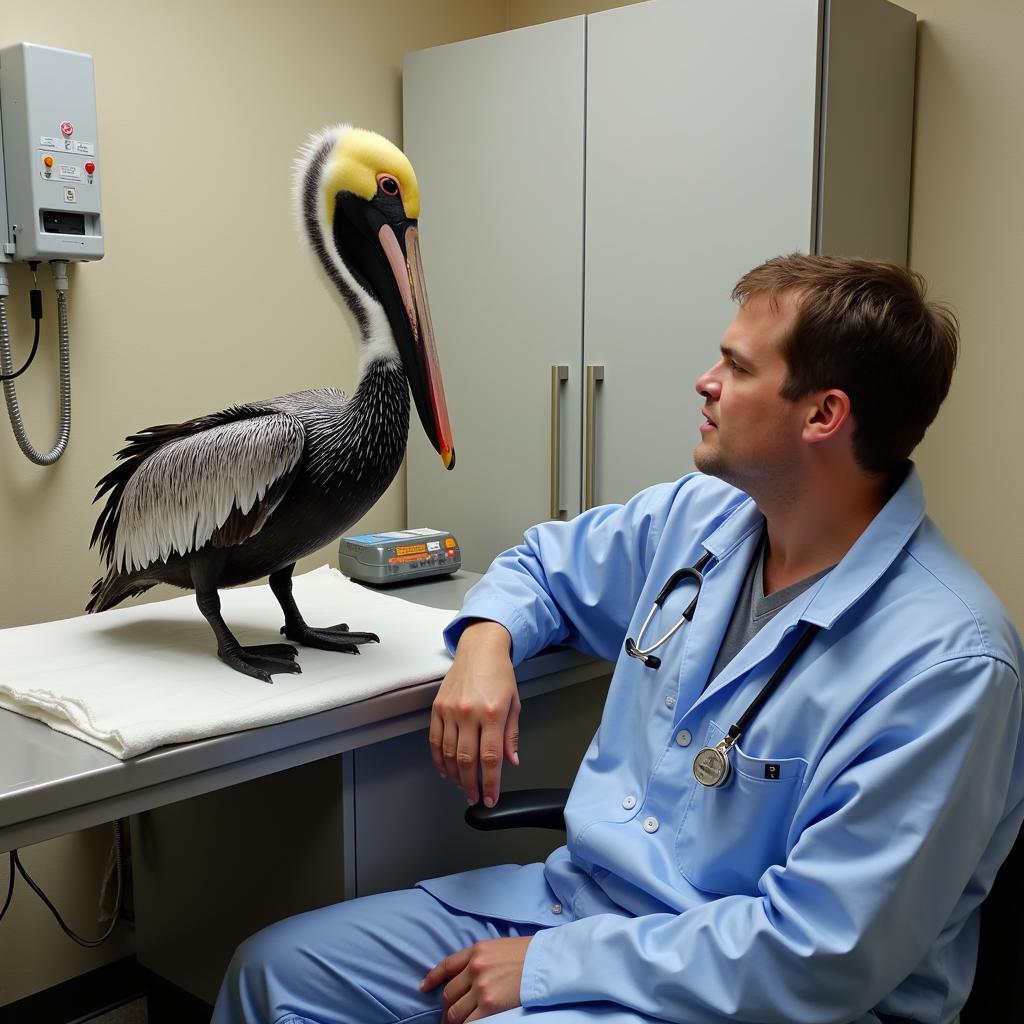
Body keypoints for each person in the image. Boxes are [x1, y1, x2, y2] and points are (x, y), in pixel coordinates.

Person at [211, 254, 1023, 1024]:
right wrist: (485, 644)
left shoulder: (947, 665)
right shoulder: (701, 519)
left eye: (738, 369)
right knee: (273, 974)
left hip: (756, 991)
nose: (705, 383)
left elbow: (822, 954)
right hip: (576, 906)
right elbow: (539, 564)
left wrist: (554, 967)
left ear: (823, 414)